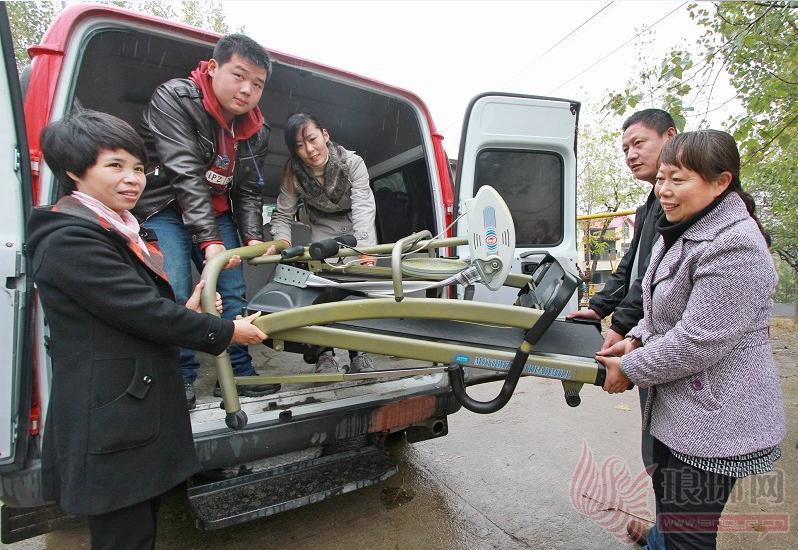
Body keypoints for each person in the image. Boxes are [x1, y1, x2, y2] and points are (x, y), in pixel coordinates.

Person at [28, 110, 267, 549]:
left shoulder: (119, 230)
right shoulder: (70, 239)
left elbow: (131, 311)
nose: (132, 179)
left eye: (139, 168)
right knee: (125, 536)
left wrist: (187, 308)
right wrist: (227, 331)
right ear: (74, 172)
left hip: (131, 412)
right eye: (114, 166)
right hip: (110, 422)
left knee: (141, 527)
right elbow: (145, 314)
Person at [596, 130, 785, 549]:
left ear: (721, 182)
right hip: (681, 410)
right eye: (661, 178)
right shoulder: (683, 227)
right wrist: (636, 340)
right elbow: (661, 310)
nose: (663, 190)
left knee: (689, 537)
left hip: (716, 421)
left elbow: (696, 340)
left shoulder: (737, 247)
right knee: (672, 512)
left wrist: (629, 367)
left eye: (677, 179)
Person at [135, 34, 277, 409]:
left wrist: (252, 239)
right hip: (165, 207)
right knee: (177, 290)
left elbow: (248, 190)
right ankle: (179, 376)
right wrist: (210, 242)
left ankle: (238, 372)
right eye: (239, 75)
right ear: (213, 68)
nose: (247, 90)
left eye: (257, 84)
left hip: (216, 212)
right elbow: (184, 175)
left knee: (232, 292)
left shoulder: (257, 130)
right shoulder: (176, 98)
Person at [267, 112, 378, 374]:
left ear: (325, 135)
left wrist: (365, 250)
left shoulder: (352, 162)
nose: (309, 149)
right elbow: (282, 214)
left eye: (312, 139)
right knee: (323, 290)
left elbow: (363, 206)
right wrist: (282, 241)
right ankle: (324, 354)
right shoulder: (293, 172)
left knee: (358, 289)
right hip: (322, 226)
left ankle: (359, 353)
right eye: (299, 145)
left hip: (356, 224)